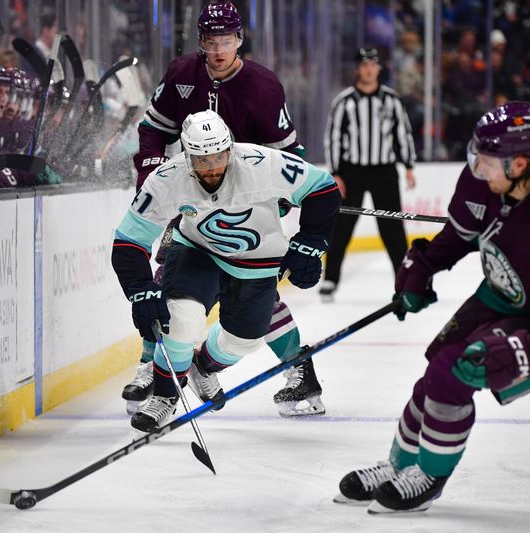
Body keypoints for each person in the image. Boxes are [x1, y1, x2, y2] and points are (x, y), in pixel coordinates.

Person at [335, 101, 530, 514]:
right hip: (507, 289)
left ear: (519, 164)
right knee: (437, 369)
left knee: (458, 372)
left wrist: (526, 352)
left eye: (486, 159)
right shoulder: (483, 179)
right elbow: (463, 232)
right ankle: (400, 465)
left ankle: (429, 476)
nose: (476, 165)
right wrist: (425, 264)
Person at [124, 1, 326, 418]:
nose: (219, 50)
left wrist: (286, 194)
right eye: (211, 41)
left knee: (251, 291)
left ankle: (290, 368)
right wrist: (152, 173)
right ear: (201, 41)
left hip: (249, 201)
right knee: (172, 283)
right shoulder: (182, 74)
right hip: (195, 193)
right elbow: (153, 130)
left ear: (240, 40)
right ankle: (157, 367)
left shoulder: (263, 87)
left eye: (227, 40)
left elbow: (289, 154)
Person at [112, 110, 341, 431]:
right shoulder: (167, 178)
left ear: (230, 150)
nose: (211, 168)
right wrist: (139, 289)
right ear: (187, 157)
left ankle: (203, 366)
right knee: (180, 320)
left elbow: (323, 188)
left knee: (245, 339)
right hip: (196, 253)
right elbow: (129, 239)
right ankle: (165, 397)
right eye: (201, 161)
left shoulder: (263, 163)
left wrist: (310, 241)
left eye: (218, 157)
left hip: (256, 259)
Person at [320, 47, 416, 302]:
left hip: (384, 170)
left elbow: (402, 133)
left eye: (373, 64)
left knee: (393, 228)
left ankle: (404, 280)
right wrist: (336, 173)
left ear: (379, 68)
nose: (369, 69)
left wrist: (408, 165)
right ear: (358, 68)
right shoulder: (344, 101)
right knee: (342, 225)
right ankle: (330, 278)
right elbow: (333, 137)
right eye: (364, 64)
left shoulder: (391, 100)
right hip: (352, 172)